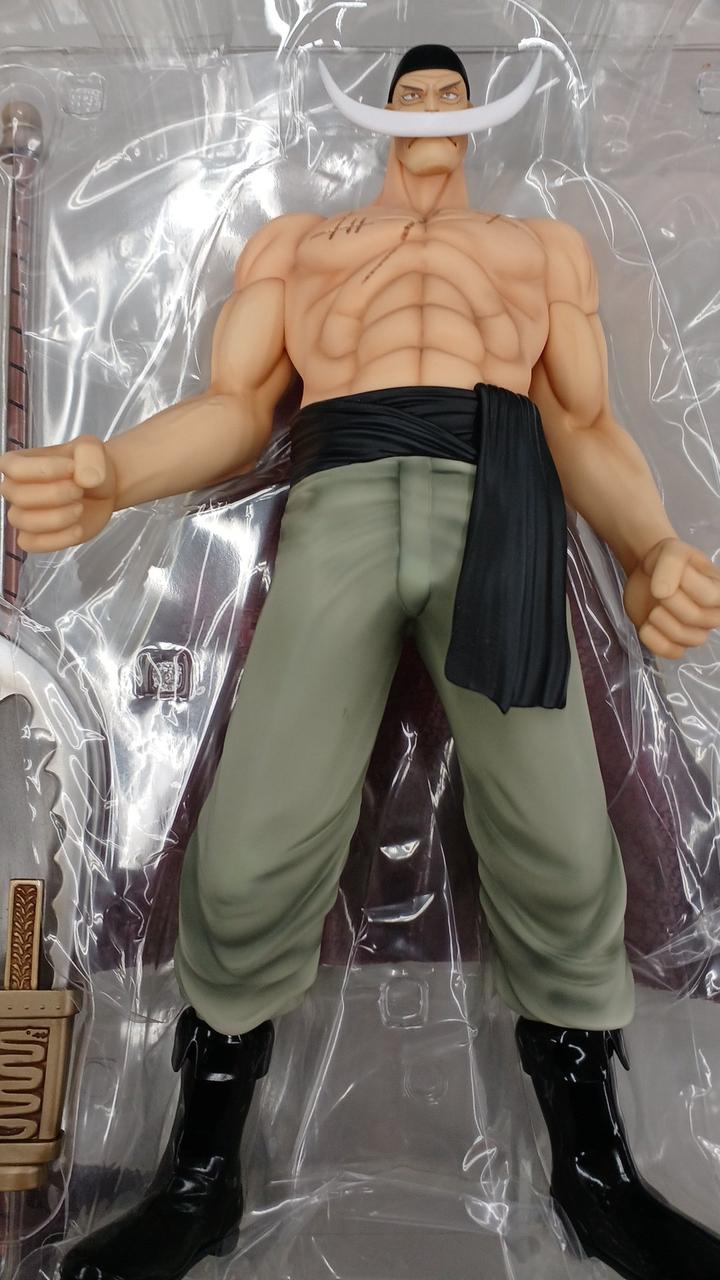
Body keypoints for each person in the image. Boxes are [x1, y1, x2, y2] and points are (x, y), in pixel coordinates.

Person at [3, 42, 720, 1280]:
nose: (434, 107)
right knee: (247, 848)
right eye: (414, 94)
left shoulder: (538, 250)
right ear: (383, 117)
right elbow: (240, 409)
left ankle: (596, 1172)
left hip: (501, 504)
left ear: (479, 116)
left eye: (452, 94)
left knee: (563, 842)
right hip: (337, 498)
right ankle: (201, 1174)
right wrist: (114, 471)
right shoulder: (298, 246)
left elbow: (584, 421)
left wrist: (651, 546)